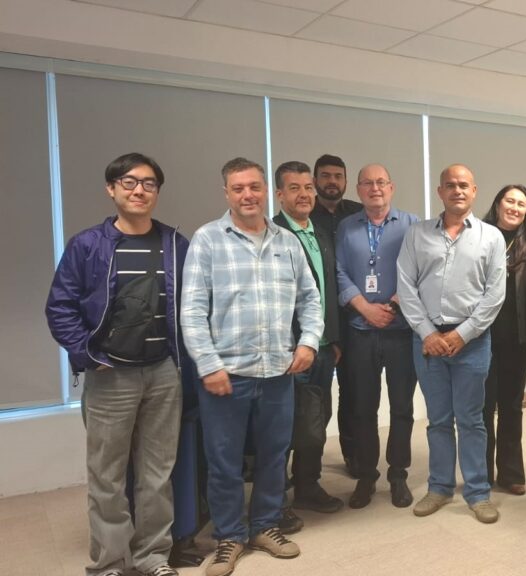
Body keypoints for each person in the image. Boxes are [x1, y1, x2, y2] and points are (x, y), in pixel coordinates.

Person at [45, 153, 189, 576]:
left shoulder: (174, 243)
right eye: (129, 182)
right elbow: (60, 307)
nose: (139, 190)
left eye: (148, 183)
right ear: (111, 189)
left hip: (164, 372)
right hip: (110, 375)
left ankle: (152, 558)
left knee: (157, 473)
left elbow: (192, 303)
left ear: (157, 193)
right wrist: (88, 355)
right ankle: (109, 563)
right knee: (107, 476)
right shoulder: (88, 245)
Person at [180, 157, 323, 576]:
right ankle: (229, 536)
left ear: (266, 191)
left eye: (255, 187)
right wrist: (208, 364)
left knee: (274, 455)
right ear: (227, 193)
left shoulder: (287, 241)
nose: (248, 195)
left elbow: (310, 300)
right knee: (223, 461)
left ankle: (265, 525)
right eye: (239, 188)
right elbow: (191, 312)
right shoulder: (208, 240)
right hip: (227, 375)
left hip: (279, 372)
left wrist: (309, 342)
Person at [396, 164, 506, 524]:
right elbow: (406, 286)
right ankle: (440, 487)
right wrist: (428, 333)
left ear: (474, 192)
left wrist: (463, 334)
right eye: (450, 185)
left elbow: (495, 295)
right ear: (440, 192)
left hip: (472, 342)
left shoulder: (491, 236)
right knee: (438, 419)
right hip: (426, 342)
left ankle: (477, 492)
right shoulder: (417, 234)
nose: (457, 190)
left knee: (472, 419)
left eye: (464, 185)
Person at [336, 164, 419, 509]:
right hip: (360, 331)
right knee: (363, 407)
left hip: (401, 331)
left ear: (392, 187)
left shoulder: (412, 224)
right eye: (368, 183)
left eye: (380, 182)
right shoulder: (345, 227)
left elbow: (421, 268)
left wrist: (397, 302)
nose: (375, 188)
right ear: (358, 189)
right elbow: (338, 271)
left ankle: (398, 474)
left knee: (402, 407)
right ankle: (366, 475)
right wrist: (364, 308)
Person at [270, 161, 344, 533]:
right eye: (294, 188)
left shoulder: (321, 232)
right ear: (280, 195)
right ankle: (274, 501)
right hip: (289, 351)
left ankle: (307, 485)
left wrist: (333, 339)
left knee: (317, 421)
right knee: (284, 428)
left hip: (323, 348)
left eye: (307, 188)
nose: (304, 195)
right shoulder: (271, 234)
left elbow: (327, 289)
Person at [309, 154, 364, 478]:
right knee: (314, 399)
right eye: (326, 176)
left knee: (353, 392)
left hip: (354, 315)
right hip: (317, 321)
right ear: (315, 180)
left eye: (338, 176)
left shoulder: (358, 213)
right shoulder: (302, 214)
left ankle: (354, 455)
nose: (332, 182)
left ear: (345, 181)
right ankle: (306, 469)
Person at [481, 184, 526, 495]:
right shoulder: (477, 235)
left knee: (512, 405)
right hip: (481, 336)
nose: (515, 207)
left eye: (521, 204)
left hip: (516, 338)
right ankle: (482, 473)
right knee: (483, 407)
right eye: (510, 201)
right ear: (498, 203)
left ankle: (511, 473)